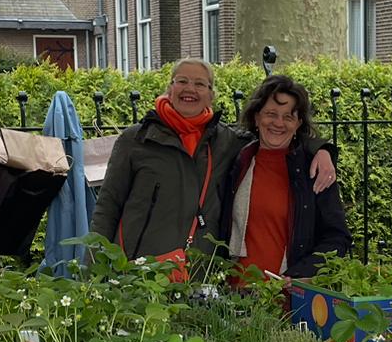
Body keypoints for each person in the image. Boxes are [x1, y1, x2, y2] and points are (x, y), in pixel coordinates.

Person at [90, 59, 336, 263]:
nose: (190, 89)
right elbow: (107, 207)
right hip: (140, 273)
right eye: (182, 81)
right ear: (169, 89)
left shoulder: (226, 141)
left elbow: (277, 136)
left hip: (200, 275)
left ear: (211, 95)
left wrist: (322, 150)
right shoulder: (136, 140)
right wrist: (93, 268)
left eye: (200, 84)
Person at [219, 75, 351, 279]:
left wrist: (300, 274)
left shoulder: (314, 170)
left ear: (298, 124)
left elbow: (337, 238)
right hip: (236, 291)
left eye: (288, 117)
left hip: (289, 292)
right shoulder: (237, 160)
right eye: (271, 114)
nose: (278, 123)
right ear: (257, 117)